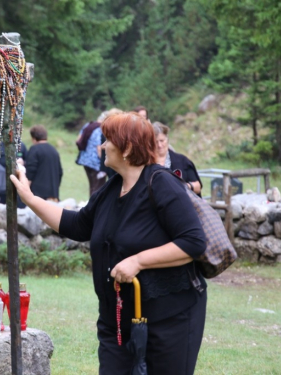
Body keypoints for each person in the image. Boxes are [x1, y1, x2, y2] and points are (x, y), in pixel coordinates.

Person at [11, 112, 207, 375]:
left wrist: (137, 261)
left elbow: (193, 242)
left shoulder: (162, 184)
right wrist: (30, 198)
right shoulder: (112, 187)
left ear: (126, 148)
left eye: (107, 140)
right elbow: (78, 225)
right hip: (116, 321)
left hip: (169, 321)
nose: (101, 146)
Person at [153, 121, 203, 197]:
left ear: (167, 140)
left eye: (162, 141)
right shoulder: (146, 163)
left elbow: (197, 187)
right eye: (156, 142)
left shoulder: (182, 161)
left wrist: (183, 186)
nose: (159, 145)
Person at [25, 125, 63, 201]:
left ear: (34, 138)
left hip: (37, 194)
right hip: (53, 194)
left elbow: (31, 171)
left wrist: (26, 189)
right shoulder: (54, 150)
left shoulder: (34, 149)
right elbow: (60, 172)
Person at [76, 119, 105, 196]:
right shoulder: (100, 129)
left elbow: (78, 139)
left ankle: (90, 206)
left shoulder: (88, 125)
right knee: (98, 187)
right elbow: (99, 148)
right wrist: (104, 164)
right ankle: (94, 207)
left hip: (85, 160)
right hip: (96, 163)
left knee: (92, 186)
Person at [98, 108, 123, 180]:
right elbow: (103, 150)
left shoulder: (122, 134)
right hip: (112, 164)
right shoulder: (106, 133)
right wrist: (103, 168)